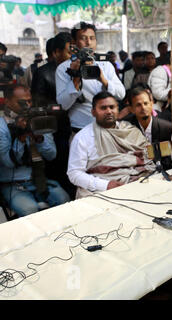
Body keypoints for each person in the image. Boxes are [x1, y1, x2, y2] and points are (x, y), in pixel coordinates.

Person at [67, 91, 155, 199]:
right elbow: (74, 173)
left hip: (137, 183)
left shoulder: (130, 131)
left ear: (118, 109)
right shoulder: (82, 138)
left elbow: (149, 159)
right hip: (102, 192)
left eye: (112, 107)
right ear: (93, 112)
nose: (109, 111)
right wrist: (106, 185)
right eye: (103, 108)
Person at [0, 85, 70, 216]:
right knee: (30, 210)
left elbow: (51, 155)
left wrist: (39, 139)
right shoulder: (2, 127)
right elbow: (8, 162)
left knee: (64, 200)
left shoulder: (37, 119)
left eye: (29, 101)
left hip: (39, 181)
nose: (27, 105)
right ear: (7, 102)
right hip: (13, 185)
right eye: (21, 102)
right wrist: (21, 137)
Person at [56, 22, 125, 133]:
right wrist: (76, 78)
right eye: (83, 38)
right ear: (74, 42)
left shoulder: (105, 65)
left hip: (108, 127)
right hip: (80, 129)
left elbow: (121, 94)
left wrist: (103, 80)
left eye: (92, 38)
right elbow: (63, 105)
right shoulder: (63, 68)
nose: (88, 42)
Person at [31, 32, 75, 199]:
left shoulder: (74, 70)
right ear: (56, 52)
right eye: (69, 51)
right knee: (59, 167)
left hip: (73, 126)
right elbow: (38, 105)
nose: (73, 56)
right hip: (55, 129)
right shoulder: (43, 73)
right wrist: (60, 108)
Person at [123, 86, 172, 171]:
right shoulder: (125, 127)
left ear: (152, 103)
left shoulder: (167, 128)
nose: (143, 108)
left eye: (146, 103)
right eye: (138, 105)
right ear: (131, 109)